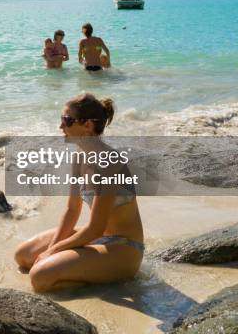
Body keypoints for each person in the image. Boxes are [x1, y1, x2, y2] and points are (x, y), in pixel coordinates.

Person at [14, 93, 144, 293]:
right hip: (98, 239)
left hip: (124, 249)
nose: (61, 127)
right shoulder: (79, 157)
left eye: (67, 121)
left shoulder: (109, 163)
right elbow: (72, 210)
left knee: (40, 277)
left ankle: (92, 283)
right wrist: (53, 248)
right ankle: (76, 269)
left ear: (87, 125)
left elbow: (95, 229)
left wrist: (52, 252)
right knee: (23, 255)